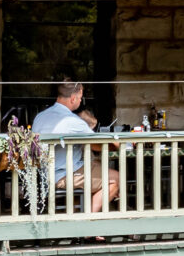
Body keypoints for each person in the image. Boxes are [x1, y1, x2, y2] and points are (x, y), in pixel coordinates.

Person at [33, 78, 121, 213]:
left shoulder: (40, 116)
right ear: (73, 98)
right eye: (80, 97)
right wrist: (116, 144)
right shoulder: (72, 121)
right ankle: (88, 222)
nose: (81, 101)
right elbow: (97, 145)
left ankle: (78, 210)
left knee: (96, 164)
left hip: (44, 174)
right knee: (116, 178)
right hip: (64, 175)